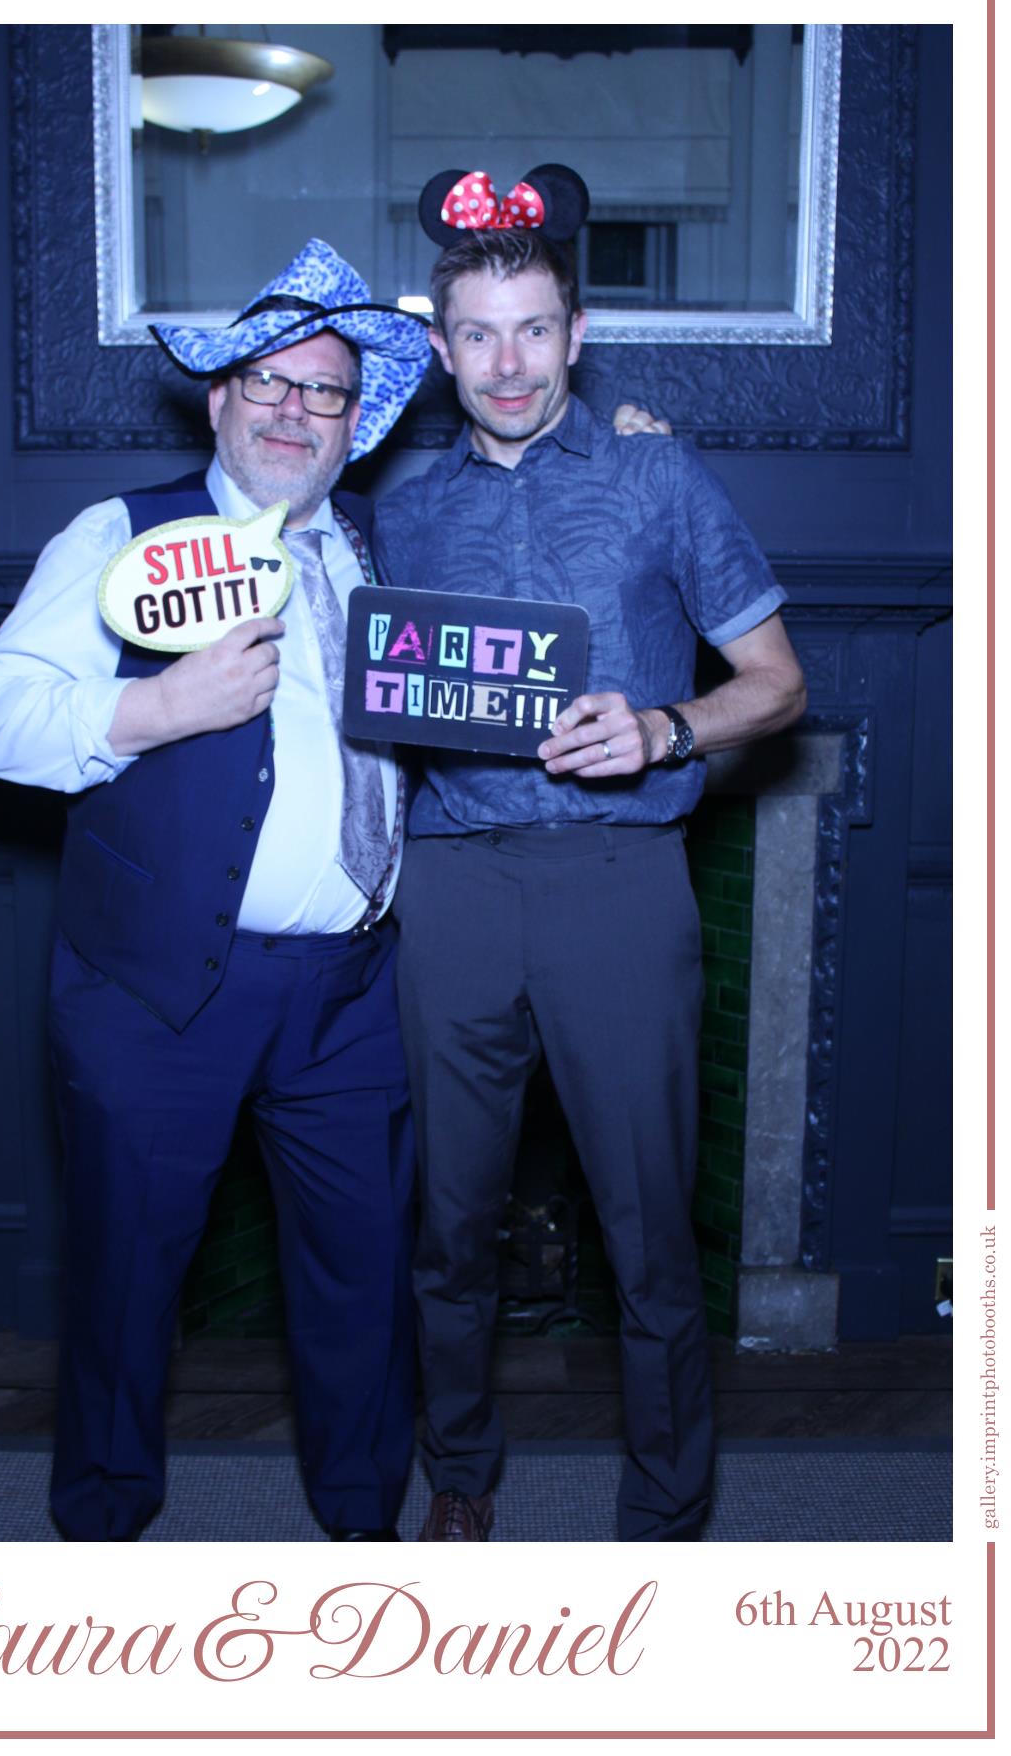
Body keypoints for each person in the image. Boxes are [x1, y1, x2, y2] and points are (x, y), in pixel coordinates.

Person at [0, 240, 433, 1542]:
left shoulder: (388, 552)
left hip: (352, 994)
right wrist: (160, 705)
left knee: (361, 1282)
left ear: (357, 421)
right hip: (157, 990)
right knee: (126, 1279)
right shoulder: (123, 534)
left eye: (324, 391)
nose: (292, 408)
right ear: (218, 399)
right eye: (265, 382)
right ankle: (105, 1535)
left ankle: (360, 1531)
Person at [375, 166, 807, 1543]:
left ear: (578, 330)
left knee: (645, 1229)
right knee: (449, 1225)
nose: (508, 364)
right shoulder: (396, 503)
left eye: (535, 329)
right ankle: (458, 1476)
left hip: (620, 889)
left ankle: (669, 1513)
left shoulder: (656, 470)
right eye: (479, 336)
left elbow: (779, 683)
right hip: (449, 890)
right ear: (442, 347)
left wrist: (669, 726)